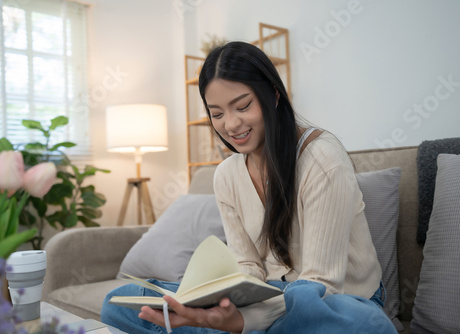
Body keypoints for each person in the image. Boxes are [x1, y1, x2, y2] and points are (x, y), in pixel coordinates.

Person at [101, 41, 397, 334]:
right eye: (217, 114)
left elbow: (322, 285)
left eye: (242, 106)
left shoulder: (322, 158)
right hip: (267, 296)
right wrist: (223, 306)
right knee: (120, 301)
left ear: (275, 94)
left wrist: (241, 322)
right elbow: (248, 266)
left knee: (358, 324)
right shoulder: (226, 175)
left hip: (334, 303)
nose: (230, 124)